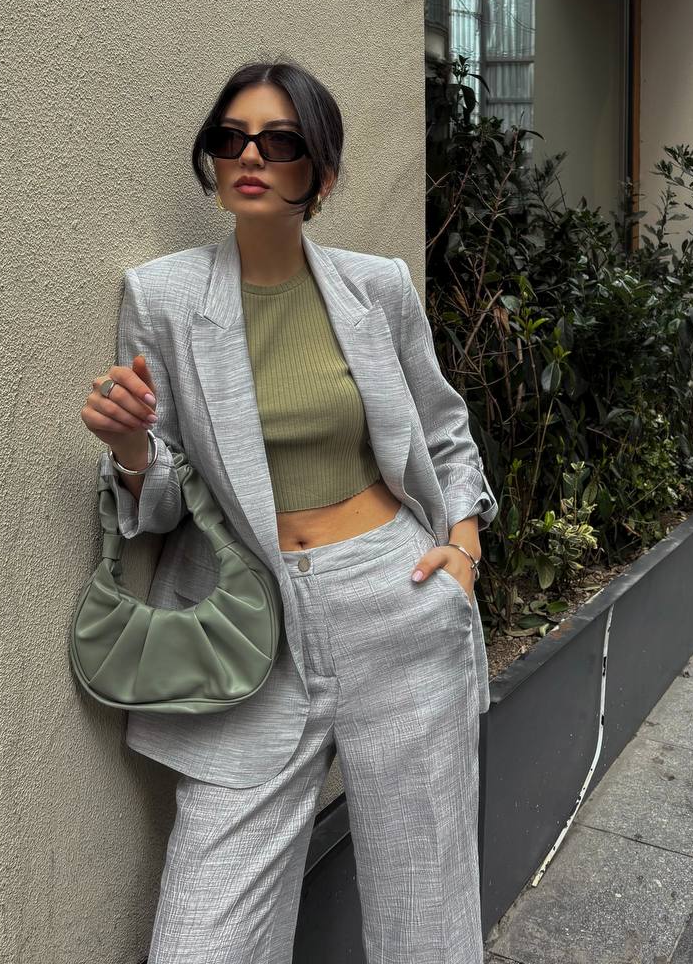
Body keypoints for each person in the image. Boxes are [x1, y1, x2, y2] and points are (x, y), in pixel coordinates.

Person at [80, 58, 499, 963]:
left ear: (322, 173)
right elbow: (165, 498)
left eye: (279, 141)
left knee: (426, 917)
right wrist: (128, 452)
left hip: (397, 598)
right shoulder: (162, 297)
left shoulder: (375, 287)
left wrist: (461, 548)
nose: (251, 156)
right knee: (204, 937)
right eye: (231, 139)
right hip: (248, 625)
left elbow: (443, 430)